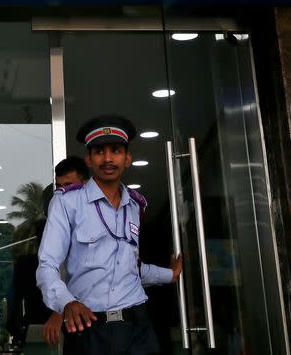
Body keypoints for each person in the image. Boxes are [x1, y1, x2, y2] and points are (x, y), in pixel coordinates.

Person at [37, 115, 183, 355]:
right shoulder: (67, 203)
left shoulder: (135, 206)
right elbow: (46, 266)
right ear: (89, 159)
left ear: (127, 159)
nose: (107, 158)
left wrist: (170, 275)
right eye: (99, 152)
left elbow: (130, 269)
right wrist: (66, 303)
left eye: (115, 151)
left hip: (137, 325)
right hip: (90, 328)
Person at [10, 156, 89, 348]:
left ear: (86, 186)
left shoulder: (93, 221)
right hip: (42, 329)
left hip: (82, 325)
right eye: (58, 190)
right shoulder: (28, 260)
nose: (62, 195)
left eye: (69, 186)